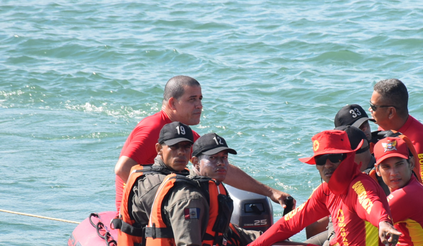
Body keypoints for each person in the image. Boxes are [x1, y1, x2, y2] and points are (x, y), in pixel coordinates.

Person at [219, 129, 401, 246]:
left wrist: (383, 223)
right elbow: (288, 224)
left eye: (334, 158)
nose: (327, 165)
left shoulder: (359, 186)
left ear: (347, 157)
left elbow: (370, 203)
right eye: (321, 160)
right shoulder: (327, 191)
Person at [114, 75, 292, 211]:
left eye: (200, 99)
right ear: (172, 103)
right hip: (142, 212)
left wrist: (271, 193)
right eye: (192, 99)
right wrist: (166, 197)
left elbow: (222, 169)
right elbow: (122, 169)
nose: (199, 105)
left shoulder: (186, 134)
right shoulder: (152, 127)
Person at [114, 121, 195, 246]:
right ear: (159, 149)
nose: (181, 152)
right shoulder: (152, 186)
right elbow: (188, 237)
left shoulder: (183, 177)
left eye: (186, 147)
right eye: (174, 147)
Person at [368, 78, 423, 202]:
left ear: (391, 112)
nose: (370, 110)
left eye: (373, 107)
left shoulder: (420, 140)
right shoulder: (384, 128)